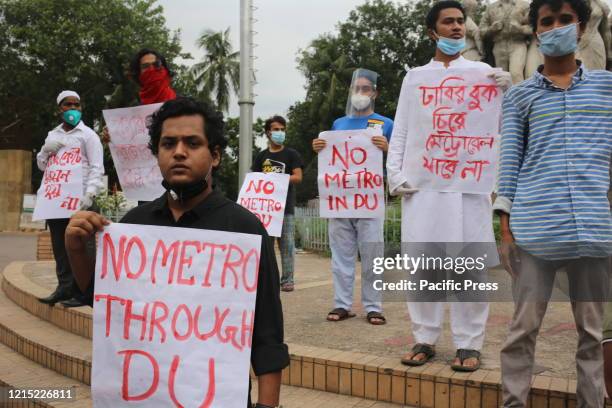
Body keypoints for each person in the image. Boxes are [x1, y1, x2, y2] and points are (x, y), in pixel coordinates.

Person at [65, 97, 288, 408]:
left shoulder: (244, 229)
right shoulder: (133, 226)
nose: (179, 152)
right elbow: (105, 304)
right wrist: (76, 249)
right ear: (157, 154)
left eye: (192, 143)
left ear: (215, 156)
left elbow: (267, 333)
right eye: (168, 143)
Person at [495, 0, 612, 405]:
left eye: (565, 19)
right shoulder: (520, 97)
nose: (557, 26)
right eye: (547, 21)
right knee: (522, 331)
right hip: (534, 229)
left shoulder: (607, 89)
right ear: (536, 31)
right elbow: (509, 162)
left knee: (592, 336)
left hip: (595, 231)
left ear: (580, 28)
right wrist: (505, 230)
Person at [386, 1, 512, 371]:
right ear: (432, 31)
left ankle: (469, 343)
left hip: (468, 190)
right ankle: (424, 337)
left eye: (461, 21)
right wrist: (395, 173)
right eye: (449, 22)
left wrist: (508, 92)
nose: (457, 28)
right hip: (423, 188)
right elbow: (403, 129)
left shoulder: (483, 74)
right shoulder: (415, 77)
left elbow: (499, 129)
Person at [312, 68, 392, 325]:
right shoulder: (338, 124)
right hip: (340, 200)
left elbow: (401, 158)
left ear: (375, 93)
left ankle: (373, 306)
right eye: (356, 89)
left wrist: (387, 148)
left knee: (372, 255)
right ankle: (342, 304)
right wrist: (319, 147)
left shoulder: (386, 124)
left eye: (365, 88)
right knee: (341, 256)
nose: (360, 93)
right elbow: (332, 160)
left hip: (369, 199)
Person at [36, 90, 105, 307]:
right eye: (68, 105)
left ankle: (85, 293)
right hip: (57, 201)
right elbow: (42, 166)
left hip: (81, 199)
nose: (73, 109)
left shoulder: (88, 135)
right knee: (60, 246)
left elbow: (96, 167)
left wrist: (90, 193)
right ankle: (64, 288)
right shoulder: (52, 135)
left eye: (77, 105)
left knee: (83, 246)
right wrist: (45, 151)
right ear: (60, 109)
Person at [252, 115, 303, 292]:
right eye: (276, 129)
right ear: (268, 132)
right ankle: (267, 279)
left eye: (282, 129)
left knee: (287, 245)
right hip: (265, 210)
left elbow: (298, 177)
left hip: (285, 208)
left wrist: (278, 179)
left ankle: (287, 280)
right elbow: (255, 179)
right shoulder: (261, 157)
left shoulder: (291, 154)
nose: (279, 132)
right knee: (266, 245)